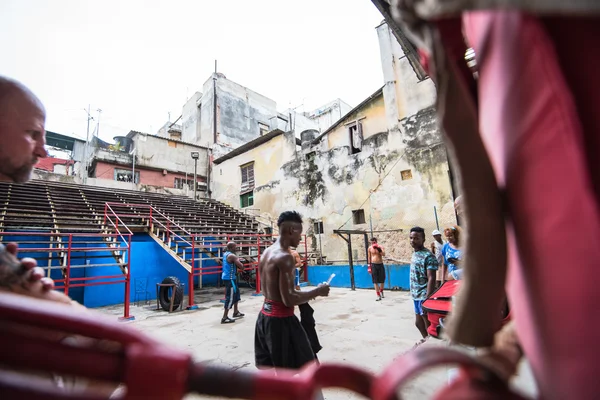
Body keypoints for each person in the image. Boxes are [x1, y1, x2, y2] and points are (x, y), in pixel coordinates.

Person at [254, 211, 330, 371]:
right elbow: (289, 299)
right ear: (291, 231)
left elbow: (270, 291)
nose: (300, 239)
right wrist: (318, 291)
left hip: (264, 318)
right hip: (281, 322)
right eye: (300, 234)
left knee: (275, 372)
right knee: (308, 370)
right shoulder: (285, 257)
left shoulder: (266, 253)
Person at [409, 226, 438, 345]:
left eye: (416, 238)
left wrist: (428, 297)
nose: (413, 240)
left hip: (423, 294)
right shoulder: (415, 253)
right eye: (411, 238)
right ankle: (428, 341)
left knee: (427, 323)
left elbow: (432, 277)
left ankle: (432, 344)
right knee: (418, 323)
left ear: (423, 239)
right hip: (415, 294)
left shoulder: (428, 256)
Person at [221, 241, 245, 324]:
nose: (237, 248)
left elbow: (232, 262)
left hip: (230, 277)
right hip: (230, 279)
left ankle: (236, 312)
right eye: (235, 246)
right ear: (231, 248)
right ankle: (224, 317)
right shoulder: (232, 255)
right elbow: (241, 266)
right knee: (230, 297)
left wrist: (237, 260)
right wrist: (240, 261)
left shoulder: (226, 254)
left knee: (236, 294)